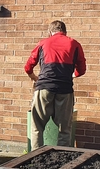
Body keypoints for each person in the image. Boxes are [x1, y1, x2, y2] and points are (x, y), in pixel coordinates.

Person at [24, 20, 86, 149]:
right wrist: (72, 75)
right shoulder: (74, 44)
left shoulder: (43, 43)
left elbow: (28, 66)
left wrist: (33, 77)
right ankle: (62, 160)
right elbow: (81, 70)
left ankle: (33, 158)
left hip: (44, 88)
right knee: (65, 129)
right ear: (65, 32)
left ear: (49, 32)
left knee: (37, 127)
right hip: (65, 89)